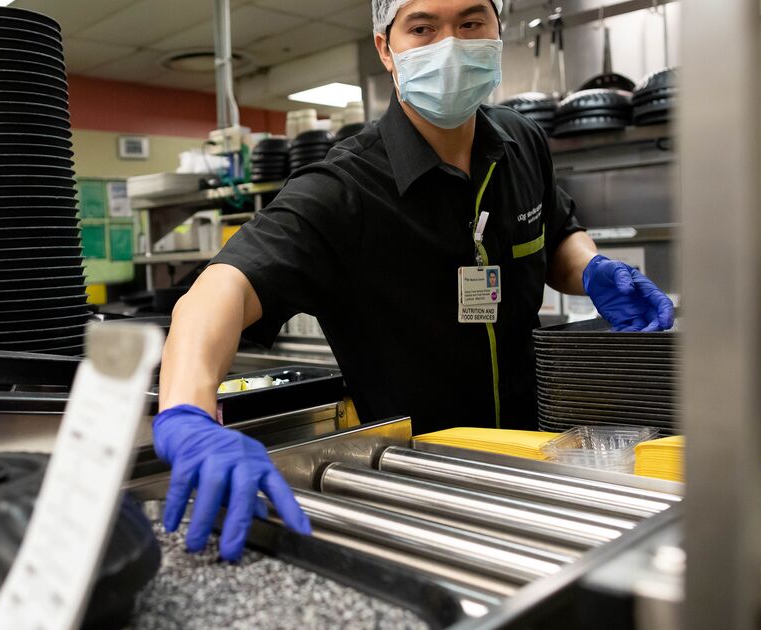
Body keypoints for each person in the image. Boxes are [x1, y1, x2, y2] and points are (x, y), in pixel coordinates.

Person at [152, 0, 675, 562]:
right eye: (423, 28)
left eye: (471, 23)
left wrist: (593, 267)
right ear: (386, 47)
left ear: (499, 32)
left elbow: (555, 233)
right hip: (413, 482)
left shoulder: (522, 143)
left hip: (535, 454)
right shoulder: (342, 190)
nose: (450, 44)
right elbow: (216, 293)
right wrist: (186, 412)